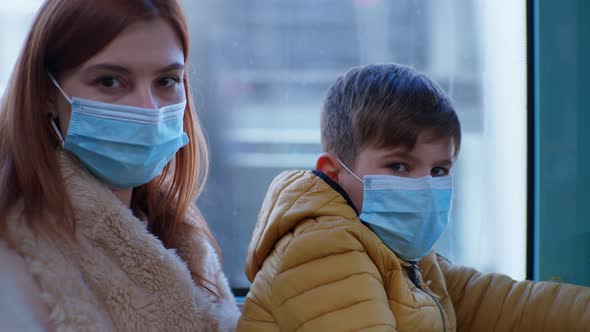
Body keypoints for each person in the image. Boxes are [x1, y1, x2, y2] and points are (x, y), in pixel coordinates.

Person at [237, 64, 590, 331]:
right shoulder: (319, 249)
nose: (424, 186)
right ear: (334, 173)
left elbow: (498, 303)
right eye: (400, 166)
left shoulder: (405, 258)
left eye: (438, 171)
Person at [0, 0, 240, 330]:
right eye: (111, 81)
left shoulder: (183, 240)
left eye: (167, 81)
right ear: (47, 96)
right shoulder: (16, 260)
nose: (148, 109)